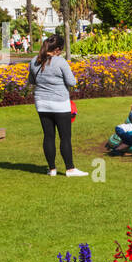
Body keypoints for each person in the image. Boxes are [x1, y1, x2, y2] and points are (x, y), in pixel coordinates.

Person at [27, 35, 87, 176]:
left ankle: (52, 169)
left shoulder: (34, 61)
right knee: (65, 137)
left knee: (48, 136)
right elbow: (72, 82)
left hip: (41, 103)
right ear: (58, 49)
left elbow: (31, 80)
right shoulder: (60, 62)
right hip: (60, 103)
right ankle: (70, 168)